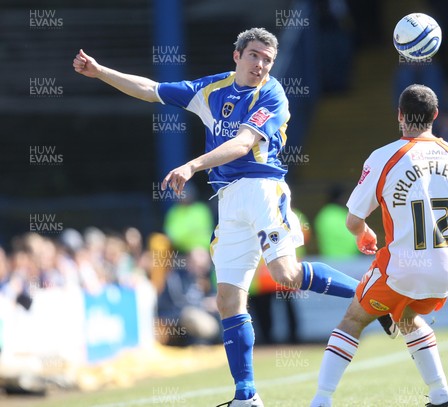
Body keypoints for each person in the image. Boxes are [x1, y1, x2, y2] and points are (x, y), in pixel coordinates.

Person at [73, 27, 393, 407]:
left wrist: (193, 164)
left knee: (286, 275)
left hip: (262, 190)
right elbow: (150, 89)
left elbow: (243, 143)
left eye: (268, 60)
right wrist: (101, 71)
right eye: (255, 55)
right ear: (237, 55)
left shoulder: (272, 94)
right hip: (227, 199)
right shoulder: (211, 90)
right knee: (227, 299)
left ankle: (374, 295)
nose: (261, 65)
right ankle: (246, 396)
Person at [310, 85, 448, 407]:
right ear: (435, 115)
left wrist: (362, 233)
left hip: (400, 268)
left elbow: (352, 220)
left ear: (400, 116)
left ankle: (321, 399)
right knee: (406, 318)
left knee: (353, 319)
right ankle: (442, 395)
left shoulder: (385, 157)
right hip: (446, 271)